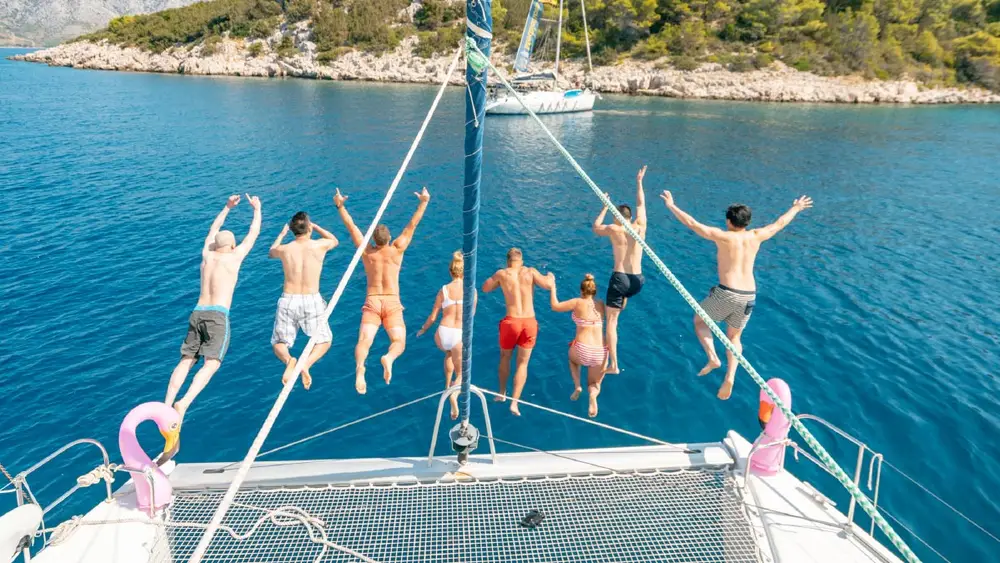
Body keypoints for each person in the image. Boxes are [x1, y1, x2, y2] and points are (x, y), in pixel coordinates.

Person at [661, 191, 813, 400]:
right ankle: (730, 375)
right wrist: (796, 208)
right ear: (747, 222)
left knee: (699, 322)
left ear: (728, 221)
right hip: (749, 295)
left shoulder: (724, 236)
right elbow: (779, 223)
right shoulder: (756, 235)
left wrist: (671, 205)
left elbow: (693, 224)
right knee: (734, 337)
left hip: (728, 292)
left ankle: (713, 357)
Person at [165, 194, 262, 421]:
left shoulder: (207, 255)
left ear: (215, 245)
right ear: (233, 244)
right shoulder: (235, 256)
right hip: (218, 315)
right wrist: (256, 209)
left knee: (186, 359)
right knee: (212, 363)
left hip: (197, 312)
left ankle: (167, 403)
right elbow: (254, 233)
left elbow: (212, 230)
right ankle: (184, 402)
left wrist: (227, 207)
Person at [335, 187, 430, 394]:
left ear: (374, 240)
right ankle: (389, 358)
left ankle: (360, 368)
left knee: (364, 341)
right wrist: (423, 202)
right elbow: (412, 225)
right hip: (392, 302)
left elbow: (352, 227)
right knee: (399, 342)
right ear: (389, 239)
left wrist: (340, 206)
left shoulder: (367, 252)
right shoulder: (397, 249)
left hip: (373, 301)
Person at [267, 211, 339, 390]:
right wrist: (317, 227)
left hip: (288, 300)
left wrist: (282, 235)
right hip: (311, 299)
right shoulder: (319, 246)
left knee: (279, 342)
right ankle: (306, 364)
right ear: (309, 227)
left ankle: (289, 360)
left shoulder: (284, 249)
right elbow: (334, 240)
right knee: (324, 340)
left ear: (292, 230)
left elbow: (271, 252)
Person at [482, 248, 553, 416]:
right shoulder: (530, 271)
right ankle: (514, 403)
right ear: (521, 261)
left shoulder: (502, 273)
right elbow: (548, 285)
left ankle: (501, 393)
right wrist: (550, 277)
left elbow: (485, 288)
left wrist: (498, 281)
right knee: (522, 363)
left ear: (508, 261)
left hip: (511, 322)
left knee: (505, 357)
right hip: (529, 322)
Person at [592, 165, 648, 374]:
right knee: (621, 303)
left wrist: (605, 206)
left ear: (616, 216)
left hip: (620, 278)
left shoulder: (614, 229)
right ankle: (622, 302)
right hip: (638, 281)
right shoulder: (640, 226)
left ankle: (613, 364)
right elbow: (641, 203)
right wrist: (639, 181)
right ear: (630, 216)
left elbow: (596, 227)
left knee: (611, 322)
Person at [416, 251, 477, 420]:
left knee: (449, 353)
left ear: (450, 272)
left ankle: (446, 385)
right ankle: (453, 396)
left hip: (442, 334)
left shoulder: (444, 290)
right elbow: (471, 315)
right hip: (458, 335)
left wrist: (423, 330)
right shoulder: (472, 291)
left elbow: (433, 316)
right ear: (465, 272)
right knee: (463, 374)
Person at [549, 273, 608, 418]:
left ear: (581, 291)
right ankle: (593, 396)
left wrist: (552, 287)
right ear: (594, 291)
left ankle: (577, 386)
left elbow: (555, 306)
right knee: (594, 384)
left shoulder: (577, 302)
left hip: (583, 349)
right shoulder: (601, 304)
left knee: (572, 360)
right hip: (601, 352)